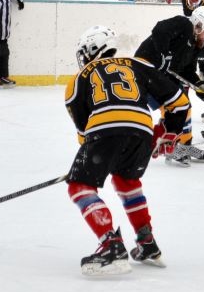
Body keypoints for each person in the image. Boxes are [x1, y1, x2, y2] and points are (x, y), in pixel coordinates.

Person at [65, 25, 190, 276]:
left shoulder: (77, 81)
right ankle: (147, 243)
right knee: (126, 179)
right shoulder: (138, 65)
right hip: (142, 130)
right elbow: (179, 102)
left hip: (103, 129)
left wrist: (94, 163)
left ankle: (111, 246)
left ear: (92, 50)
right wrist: (169, 132)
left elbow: (84, 135)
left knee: (79, 186)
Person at [134, 6, 204, 166]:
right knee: (173, 107)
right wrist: (164, 53)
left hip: (162, 77)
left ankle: (184, 145)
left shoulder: (197, 43)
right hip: (145, 72)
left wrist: (203, 89)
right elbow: (160, 29)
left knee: (185, 106)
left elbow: (187, 71)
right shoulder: (183, 24)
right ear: (199, 24)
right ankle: (169, 147)